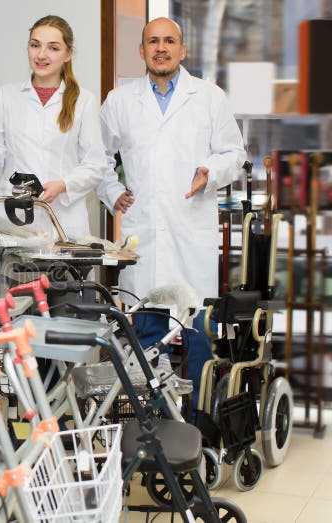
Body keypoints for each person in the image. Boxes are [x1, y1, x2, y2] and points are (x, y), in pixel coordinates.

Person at [96, 17, 246, 407]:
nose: (161, 48)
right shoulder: (120, 101)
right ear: (142, 50)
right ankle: (157, 424)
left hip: (191, 232)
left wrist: (209, 171)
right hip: (144, 234)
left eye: (169, 41)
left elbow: (234, 153)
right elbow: (97, 158)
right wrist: (113, 191)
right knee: (147, 337)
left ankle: (198, 424)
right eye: (153, 41)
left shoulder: (209, 97)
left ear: (182, 49)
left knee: (198, 338)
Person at [0, 15, 106, 241]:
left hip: (64, 220)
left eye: (53, 48)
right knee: (13, 264)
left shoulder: (84, 101)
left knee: (61, 264)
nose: (41, 55)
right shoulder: (6, 96)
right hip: (14, 221)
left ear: (68, 54)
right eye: (35, 45)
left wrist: (63, 185)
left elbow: (95, 165)